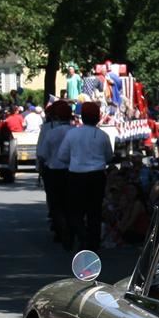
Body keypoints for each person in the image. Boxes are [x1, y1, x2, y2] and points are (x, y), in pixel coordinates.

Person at [63, 100, 113, 251]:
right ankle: (93, 242)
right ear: (97, 118)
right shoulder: (102, 135)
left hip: (76, 175)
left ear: (82, 117)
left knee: (76, 210)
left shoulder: (72, 134)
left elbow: (62, 156)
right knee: (94, 211)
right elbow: (109, 156)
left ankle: (81, 236)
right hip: (97, 176)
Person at [36, 101, 74, 244]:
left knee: (55, 202)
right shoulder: (74, 131)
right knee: (69, 201)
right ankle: (69, 228)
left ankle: (60, 229)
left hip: (53, 170)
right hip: (71, 171)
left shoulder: (50, 131)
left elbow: (42, 153)